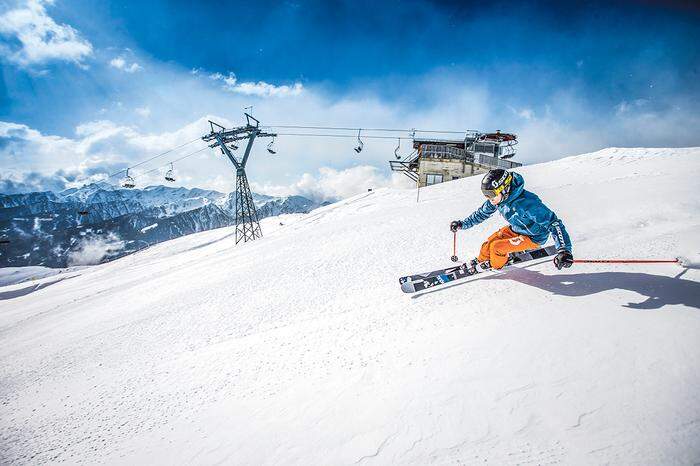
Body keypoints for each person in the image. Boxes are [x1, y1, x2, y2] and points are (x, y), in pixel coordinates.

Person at [450, 169, 573, 270]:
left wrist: (564, 250)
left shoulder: (527, 203)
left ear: (504, 189)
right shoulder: (498, 200)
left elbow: (554, 223)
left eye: (491, 195)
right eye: (486, 195)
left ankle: (495, 265)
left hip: (533, 236)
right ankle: (482, 260)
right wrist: (462, 224)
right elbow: (481, 214)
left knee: (497, 248)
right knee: (487, 245)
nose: (489, 199)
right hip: (516, 229)